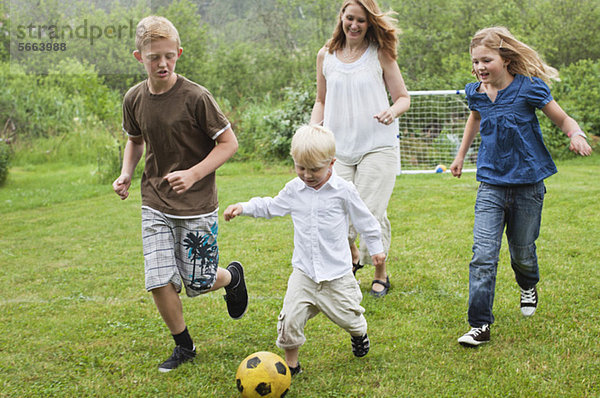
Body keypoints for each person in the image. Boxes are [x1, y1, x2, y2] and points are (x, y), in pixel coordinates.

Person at [112, 16, 248, 372]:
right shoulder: (134, 98)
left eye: (169, 56)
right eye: (154, 56)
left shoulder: (196, 97)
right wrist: (127, 172)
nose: (162, 64)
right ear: (138, 56)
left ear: (179, 54)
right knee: (158, 277)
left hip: (197, 203)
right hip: (154, 201)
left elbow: (228, 143)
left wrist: (194, 173)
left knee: (199, 282)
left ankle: (231, 277)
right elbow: (135, 140)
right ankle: (184, 346)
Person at [450, 26, 593, 347]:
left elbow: (563, 119)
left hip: (528, 184)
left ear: (506, 58)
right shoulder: (475, 91)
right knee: (483, 256)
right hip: (490, 184)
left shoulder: (529, 88)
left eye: (486, 60)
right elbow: (475, 118)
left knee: (523, 253)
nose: (479, 68)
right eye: (475, 62)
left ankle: (528, 284)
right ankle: (479, 325)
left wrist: (576, 134)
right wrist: (460, 156)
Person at [223, 125, 386, 375]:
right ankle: (291, 365)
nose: (307, 175)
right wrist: (244, 207)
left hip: (337, 274)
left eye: (315, 169)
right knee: (289, 320)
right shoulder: (293, 190)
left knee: (349, 317)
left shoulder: (343, 191)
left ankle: (358, 332)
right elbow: (271, 206)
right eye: (301, 168)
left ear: (332, 163)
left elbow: (365, 220)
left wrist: (375, 248)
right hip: (305, 272)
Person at [310, 0, 410, 298]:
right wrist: (313, 129)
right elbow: (321, 100)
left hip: (377, 146)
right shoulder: (325, 55)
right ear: (341, 17)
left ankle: (380, 272)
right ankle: (353, 255)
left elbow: (403, 97)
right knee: (335, 211)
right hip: (338, 150)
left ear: (370, 23)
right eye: (349, 18)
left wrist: (392, 111)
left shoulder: (380, 53)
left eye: (361, 21)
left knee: (368, 212)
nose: (354, 25)